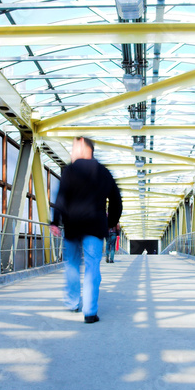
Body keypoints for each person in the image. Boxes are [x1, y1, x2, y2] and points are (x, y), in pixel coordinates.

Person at [50, 137, 122, 324]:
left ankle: (73, 302)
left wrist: (55, 221)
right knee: (92, 267)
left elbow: (61, 197)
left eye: (74, 147)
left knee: (72, 265)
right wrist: (111, 222)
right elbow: (116, 200)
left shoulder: (70, 170)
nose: (72, 151)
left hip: (73, 225)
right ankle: (90, 312)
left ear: (84, 147)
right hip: (95, 226)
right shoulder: (104, 172)